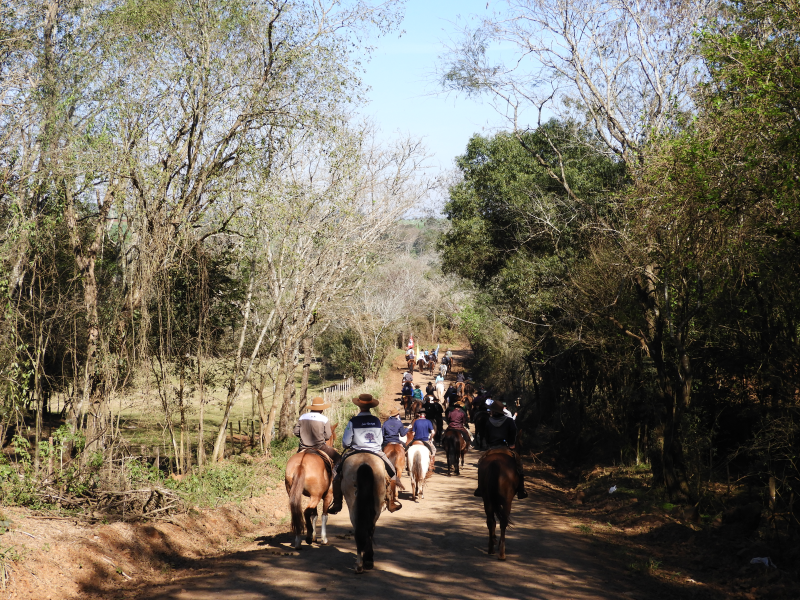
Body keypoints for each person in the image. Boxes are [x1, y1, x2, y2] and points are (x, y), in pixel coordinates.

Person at [329, 394, 400, 514]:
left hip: (355, 451)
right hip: (375, 451)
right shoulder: (376, 421)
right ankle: (391, 501)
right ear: (370, 407)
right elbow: (380, 441)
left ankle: (337, 502)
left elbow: (346, 442)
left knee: (335, 473)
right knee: (392, 472)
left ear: (359, 406)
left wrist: (351, 444)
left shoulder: (353, 421)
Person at [474, 401, 527, 499]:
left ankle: (480, 488)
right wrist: (511, 444)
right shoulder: (509, 421)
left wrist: (490, 443)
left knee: (481, 463)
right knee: (519, 465)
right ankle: (521, 489)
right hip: (505, 447)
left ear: (493, 411)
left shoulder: (489, 421)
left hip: (492, 448)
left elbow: (486, 435)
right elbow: (513, 433)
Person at [292, 396, 341, 465]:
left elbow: (296, 432)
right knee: (338, 458)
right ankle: (335, 474)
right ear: (322, 409)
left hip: (303, 447)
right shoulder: (324, 419)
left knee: (295, 460)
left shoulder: (303, 417)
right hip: (319, 446)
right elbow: (327, 436)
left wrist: (304, 436)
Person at [410, 408, 436, 475]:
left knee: (407, 449)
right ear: (425, 415)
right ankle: (430, 465)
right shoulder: (428, 422)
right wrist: (430, 439)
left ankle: (408, 465)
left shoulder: (416, 422)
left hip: (416, 440)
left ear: (419, 414)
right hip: (425, 440)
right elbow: (433, 432)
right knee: (433, 450)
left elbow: (413, 433)